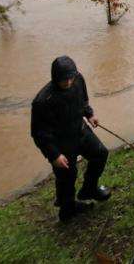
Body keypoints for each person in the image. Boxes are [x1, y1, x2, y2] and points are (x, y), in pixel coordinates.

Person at [31, 55, 111, 222]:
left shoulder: (78, 79)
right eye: (63, 80)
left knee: (100, 154)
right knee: (67, 177)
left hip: (80, 131)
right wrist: (53, 155)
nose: (67, 82)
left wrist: (89, 114)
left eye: (70, 78)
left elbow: (83, 101)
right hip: (61, 144)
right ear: (55, 79)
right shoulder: (43, 101)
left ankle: (89, 189)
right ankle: (67, 210)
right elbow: (39, 133)